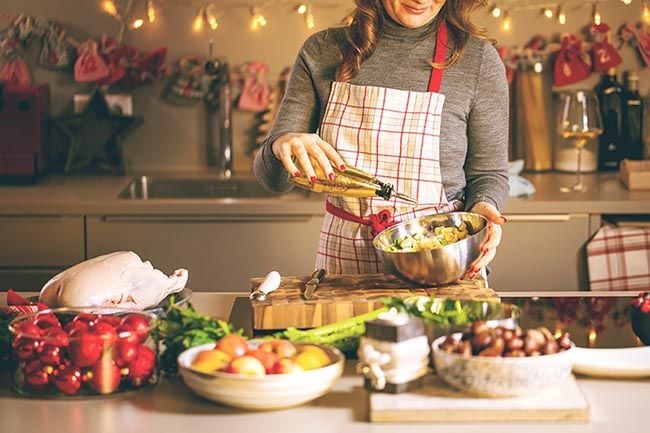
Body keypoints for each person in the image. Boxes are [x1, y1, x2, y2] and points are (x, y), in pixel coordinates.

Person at [254, 0, 509, 278]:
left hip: (444, 262)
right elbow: (273, 180)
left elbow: (489, 173)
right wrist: (282, 145)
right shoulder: (322, 51)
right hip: (346, 268)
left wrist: (484, 212)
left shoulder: (478, 59)